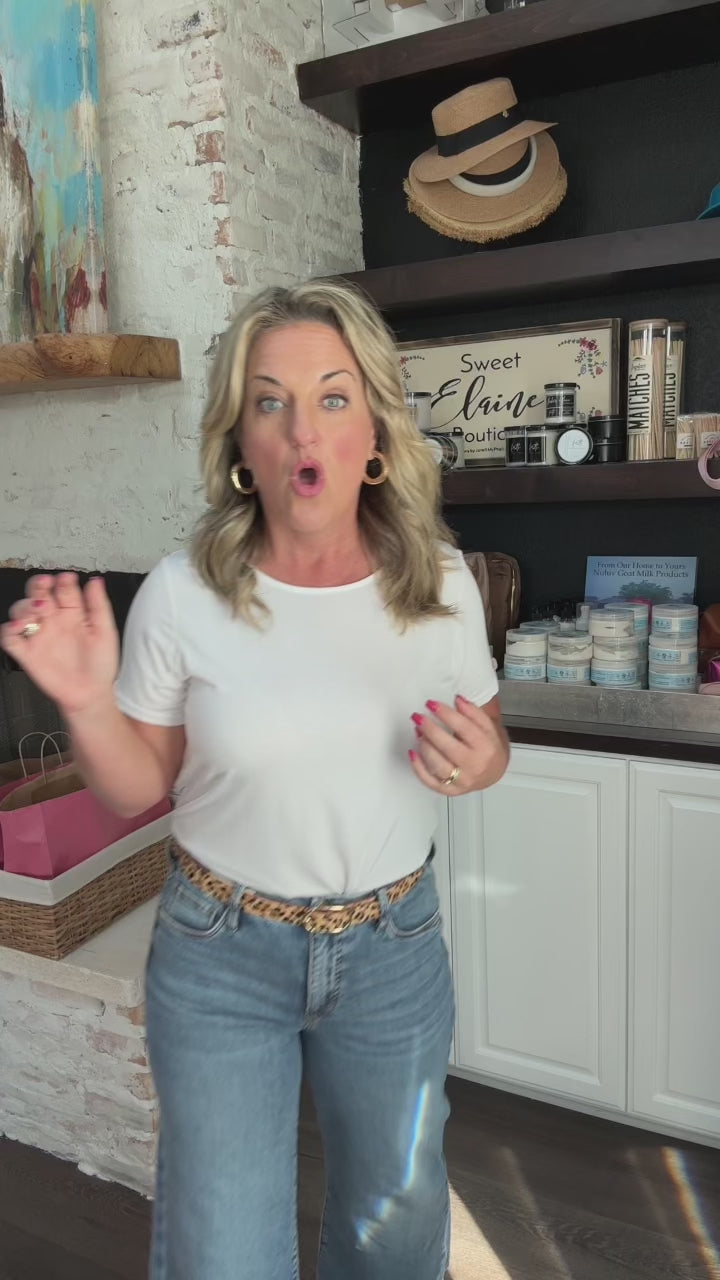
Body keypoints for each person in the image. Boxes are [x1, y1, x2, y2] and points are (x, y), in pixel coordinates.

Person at [1, 278, 509, 1280]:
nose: (300, 428)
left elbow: (488, 735)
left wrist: (484, 759)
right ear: (240, 440)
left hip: (393, 948)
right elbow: (136, 787)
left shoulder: (440, 582)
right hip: (219, 952)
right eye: (269, 401)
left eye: (332, 396)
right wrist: (87, 702)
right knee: (221, 1252)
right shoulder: (185, 592)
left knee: (398, 1232)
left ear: (374, 431)